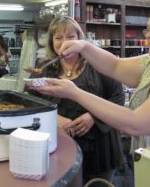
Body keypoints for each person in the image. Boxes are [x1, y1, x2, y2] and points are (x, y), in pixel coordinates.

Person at [30, 2, 150, 171]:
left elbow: (135, 122)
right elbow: (115, 65)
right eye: (147, 29)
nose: (148, 35)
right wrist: (84, 46)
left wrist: (74, 93)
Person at [25, 16, 125, 184]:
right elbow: (28, 102)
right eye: (58, 37)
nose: (65, 42)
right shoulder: (43, 68)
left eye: (70, 37)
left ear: (80, 39)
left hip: (99, 147)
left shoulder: (98, 65)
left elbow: (118, 97)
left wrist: (93, 117)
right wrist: (54, 118)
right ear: (51, 42)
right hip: (60, 146)